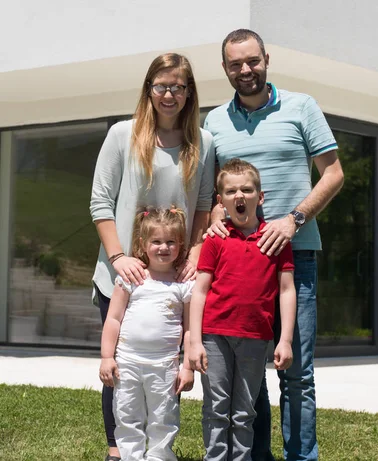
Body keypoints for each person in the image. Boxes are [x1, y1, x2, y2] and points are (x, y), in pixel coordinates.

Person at [203, 29, 344, 461]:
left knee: (297, 373)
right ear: (225, 68)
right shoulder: (214, 121)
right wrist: (214, 219)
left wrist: (293, 220)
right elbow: (213, 193)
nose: (245, 70)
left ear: (267, 59)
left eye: (252, 61)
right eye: (235, 64)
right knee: (249, 375)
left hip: (293, 259)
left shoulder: (302, 107)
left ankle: (302, 457)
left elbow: (334, 174)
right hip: (237, 265)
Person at [90, 52, 215, 461]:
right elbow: (100, 203)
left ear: (189, 92)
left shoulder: (204, 141)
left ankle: (161, 452)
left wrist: (195, 252)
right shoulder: (121, 135)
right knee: (121, 371)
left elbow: (204, 204)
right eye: (161, 86)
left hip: (175, 278)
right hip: (124, 274)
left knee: (165, 368)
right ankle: (118, 452)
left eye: (178, 87)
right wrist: (119, 256)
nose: (169, 94)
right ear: (148, 89)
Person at [188, 159, 297, 461]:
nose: (239, 196)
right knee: (216, 409)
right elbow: (200, 290)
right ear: (220, 200)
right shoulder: (215, 239)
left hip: (254, 337)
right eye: (231, 191)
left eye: (247, 190)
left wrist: (284, 340)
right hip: (214, 337)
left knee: (244, 411)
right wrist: (194, 341)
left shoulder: (275, 240)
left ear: (259, 197)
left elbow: (287, 291)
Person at [99, 206, 195, 461]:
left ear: (180, 244)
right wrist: (107, 357)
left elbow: (189, 329)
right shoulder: (132, 278)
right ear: (143, 244)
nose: (163, 247)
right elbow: (113, 319)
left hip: (165, 366)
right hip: (128, 362)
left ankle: (159, 457)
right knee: (127, 415)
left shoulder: (183, 284)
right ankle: (131, 457)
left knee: (163, 418)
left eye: (170, 242)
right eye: (156, 241)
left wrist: (187, 367)